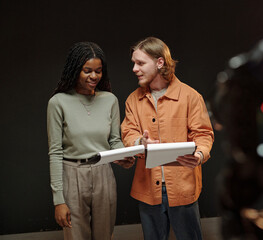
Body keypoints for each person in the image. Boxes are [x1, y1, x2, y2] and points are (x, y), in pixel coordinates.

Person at [121, 37, 214, 239]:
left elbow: (204, 134)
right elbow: (128, 133)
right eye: (133, 63)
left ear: (160, 62)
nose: (134, 69)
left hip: (183, 188)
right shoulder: (132, 100)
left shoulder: (191, 97)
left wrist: (199, 155)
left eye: (140, 63)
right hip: (147, 189)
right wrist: (139, 143)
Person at [47, 41, 134, 240]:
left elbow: (114, 141)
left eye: (98, 71)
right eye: (87, 71)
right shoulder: (57, 102)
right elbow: (55, 152)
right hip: (72, 175)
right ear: (75, 70)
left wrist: (123, 156)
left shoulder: (110, 100)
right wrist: (58, 200)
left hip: (104, 174)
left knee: (105, 236)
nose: (94, 76)